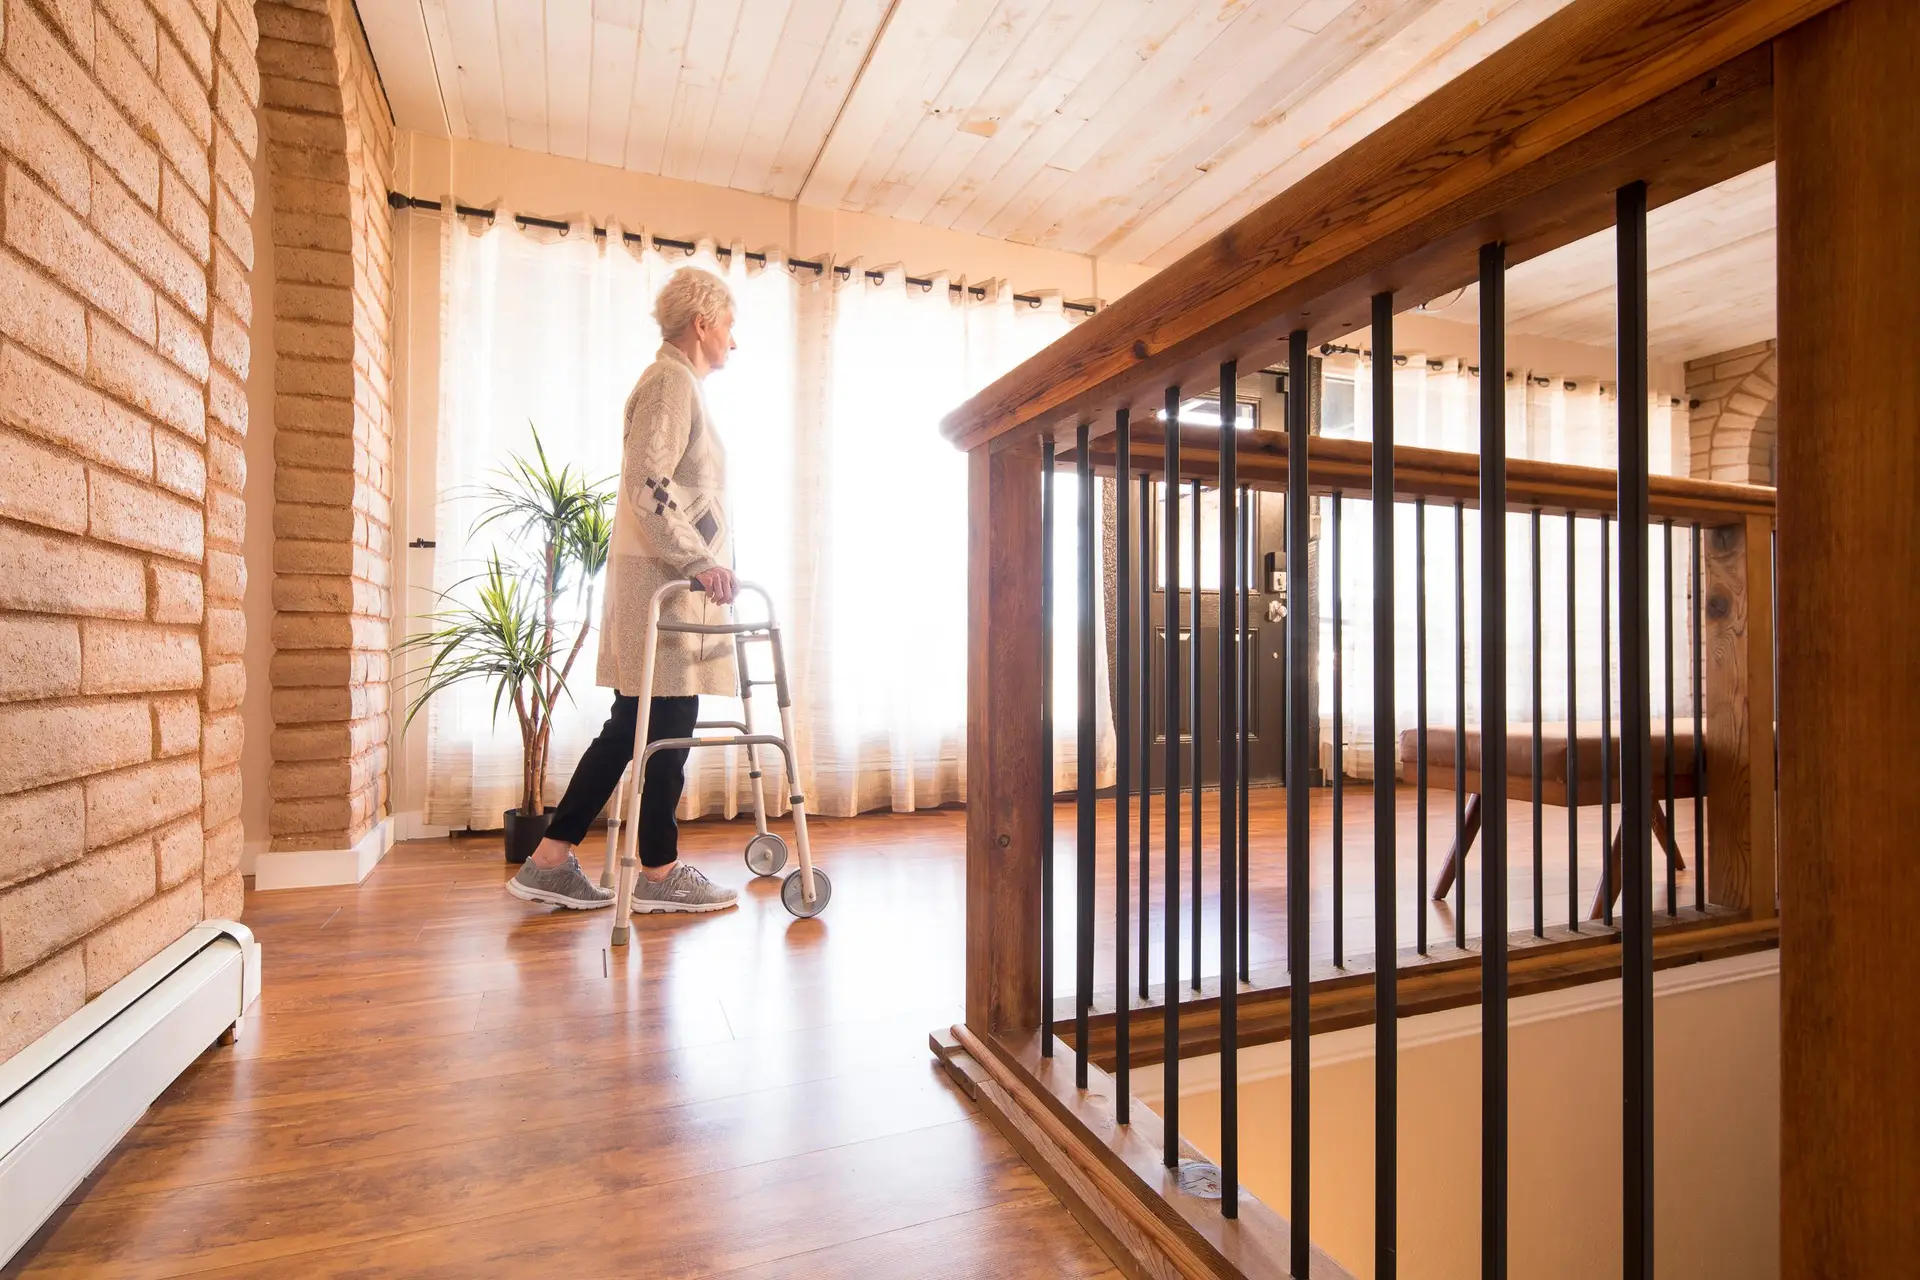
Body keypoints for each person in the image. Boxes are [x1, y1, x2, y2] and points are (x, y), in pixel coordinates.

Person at [508, 267, 742, 913]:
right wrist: (696, 560)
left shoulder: (676, 382)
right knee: (664, 725)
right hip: (663, 587)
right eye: (729, 325)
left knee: (634, 727)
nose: (733, 340)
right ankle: (660, 875)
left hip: (666, 585)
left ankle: (551, 861)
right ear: (702, 323)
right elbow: (649, 480)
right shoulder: (671, 381)